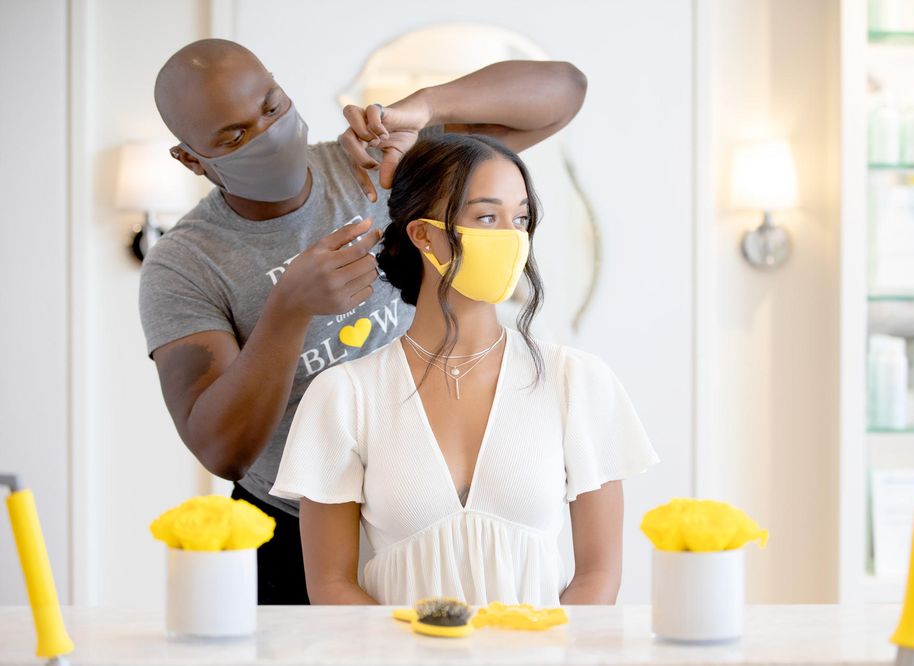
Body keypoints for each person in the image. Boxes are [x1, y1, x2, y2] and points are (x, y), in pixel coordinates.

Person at [139, 38, 587, 604]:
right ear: (191, 160)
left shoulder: (380, 166)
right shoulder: (184, 264)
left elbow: (564, 90)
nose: (267, 133)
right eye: (235, 137)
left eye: (272, 107)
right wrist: (288, 310)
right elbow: (222, 450)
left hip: (423, 509)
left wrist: (422, 107)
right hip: (291, 528)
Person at [270, 133, 659, 606]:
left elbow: (599, 574)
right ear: (423, 234)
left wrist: (542, 644)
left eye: (520, 219)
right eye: (487, 217)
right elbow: (331, 585)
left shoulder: (575, 381)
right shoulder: (345, 395)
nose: (511, 238)